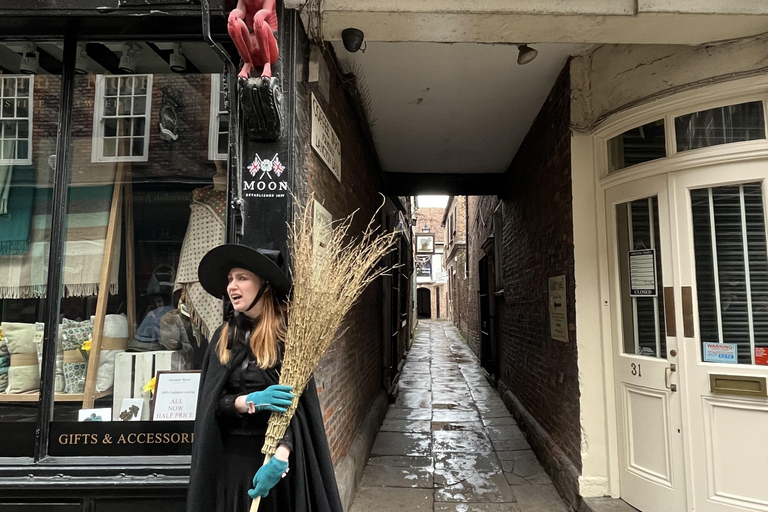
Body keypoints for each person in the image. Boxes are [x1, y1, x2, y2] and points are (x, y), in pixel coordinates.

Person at [187, 244, 342, 512]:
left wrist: (281, 456)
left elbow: (299, 411)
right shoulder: (223, 338)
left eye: (242, 278)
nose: (232, 287)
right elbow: (212, 407)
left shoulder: (289, 339)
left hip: (274, 466)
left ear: (265, 286)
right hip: (232, 466)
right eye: (230, 279)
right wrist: (248, 401)